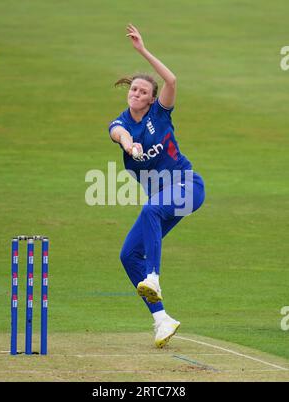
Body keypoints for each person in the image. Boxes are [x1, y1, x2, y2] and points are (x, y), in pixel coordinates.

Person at [108, 24, 205, 348]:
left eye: (142, 92)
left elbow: (172, 80)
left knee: (151, 208)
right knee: (127, 254)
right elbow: (119, 135)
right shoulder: (120, 123)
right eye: (133, 89)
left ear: (151, 100)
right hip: (165, 199)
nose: (136, 94)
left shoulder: (160, 115)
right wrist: (129, 146)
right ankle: (162, 319)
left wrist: (142, 51)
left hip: (188, 187)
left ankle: (153, 277)